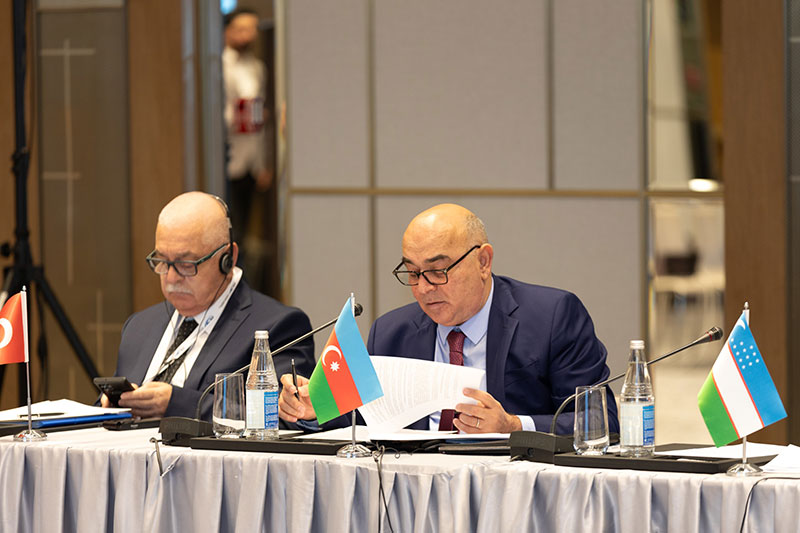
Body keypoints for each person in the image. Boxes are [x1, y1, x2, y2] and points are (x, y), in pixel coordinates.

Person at [278, 203, 618, 435]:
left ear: (483, 262)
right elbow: (364, 417)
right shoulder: (392, 332)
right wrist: (315, 408)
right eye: (413, 273)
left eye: (438, 271)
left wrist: (513, 426)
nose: (424, 288)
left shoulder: (551, 317)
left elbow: (600, 420)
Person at [102, 192, 314, 420]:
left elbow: (281, 418)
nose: (171, 278)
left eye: (186, 264)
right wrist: (111, 405)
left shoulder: (277, 328)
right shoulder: (138, 326)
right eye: (162, 261)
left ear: (228, 258)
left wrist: (176, 404)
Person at [222, 8, 273, 252]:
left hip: (251, 157)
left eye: (251, 30)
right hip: (228, 153)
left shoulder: (257, 68)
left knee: (246, 226)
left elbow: (260, 118)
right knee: (229, 225)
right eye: (241, 30)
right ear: (227, 31)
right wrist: (239, 116)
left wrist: (264, 162)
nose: (247, 36)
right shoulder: (219, 65)